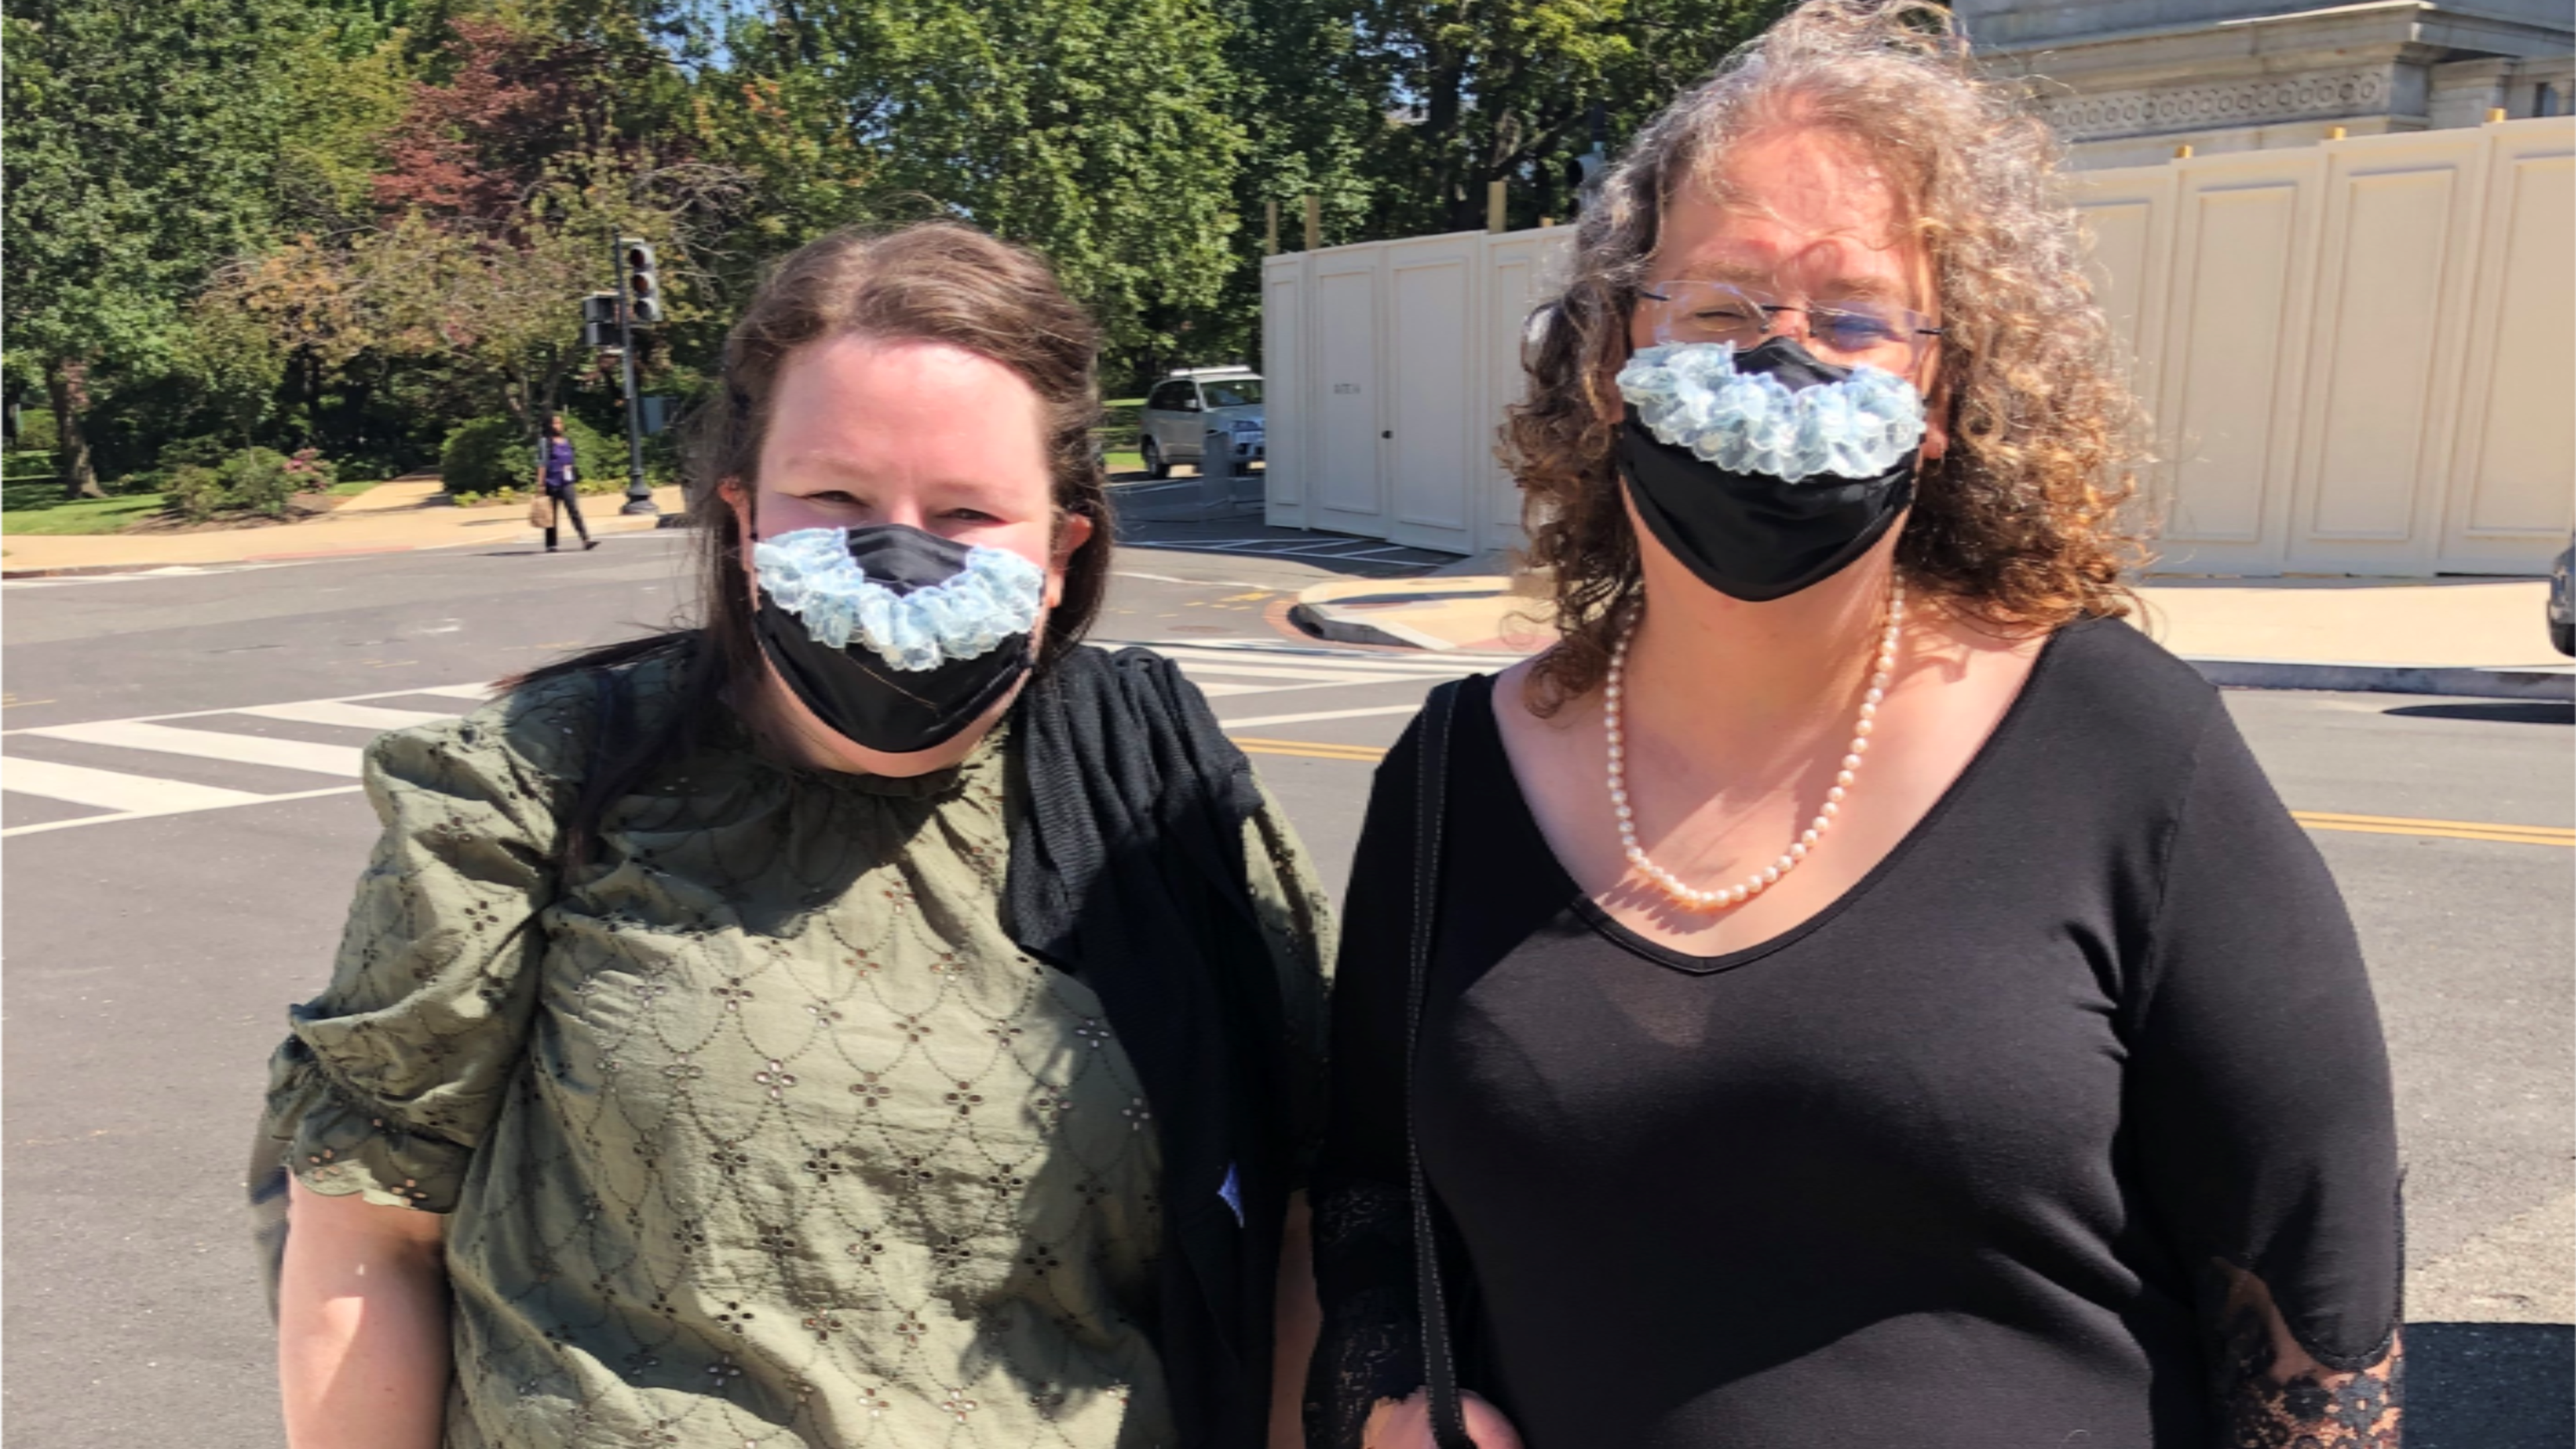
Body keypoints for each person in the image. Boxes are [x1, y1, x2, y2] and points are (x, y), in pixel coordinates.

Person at [1306, 5, 2404, 1448]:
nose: (1785, 359)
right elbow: (1368, 1186)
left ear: (1940, 399)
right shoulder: (1456, 773)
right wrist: (1388, 1398)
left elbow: (2314, 1289)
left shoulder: (2124, 745)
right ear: (1612, 358)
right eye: (1721, 308)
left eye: (1855, 317)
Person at [257, 223, 1333, 1449]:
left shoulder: (1163, 808)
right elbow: (367, 1232)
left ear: (1057, 551)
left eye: (969, 510)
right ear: (745, 519)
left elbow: (1304, 1220)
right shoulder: (538, 785)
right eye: (835, 498)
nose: (899, 555)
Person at [537, 413, 597, 551]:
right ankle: (551, 544)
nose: (559, 426)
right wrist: (540, 484)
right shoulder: (545, 442)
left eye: (560, 423)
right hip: (551, 481)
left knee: (574, 510)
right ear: (549, 425)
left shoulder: (567, 441)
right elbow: (542, 463)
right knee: (551, 514)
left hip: (567, 481)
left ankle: (586, 539)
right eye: (555, 423)